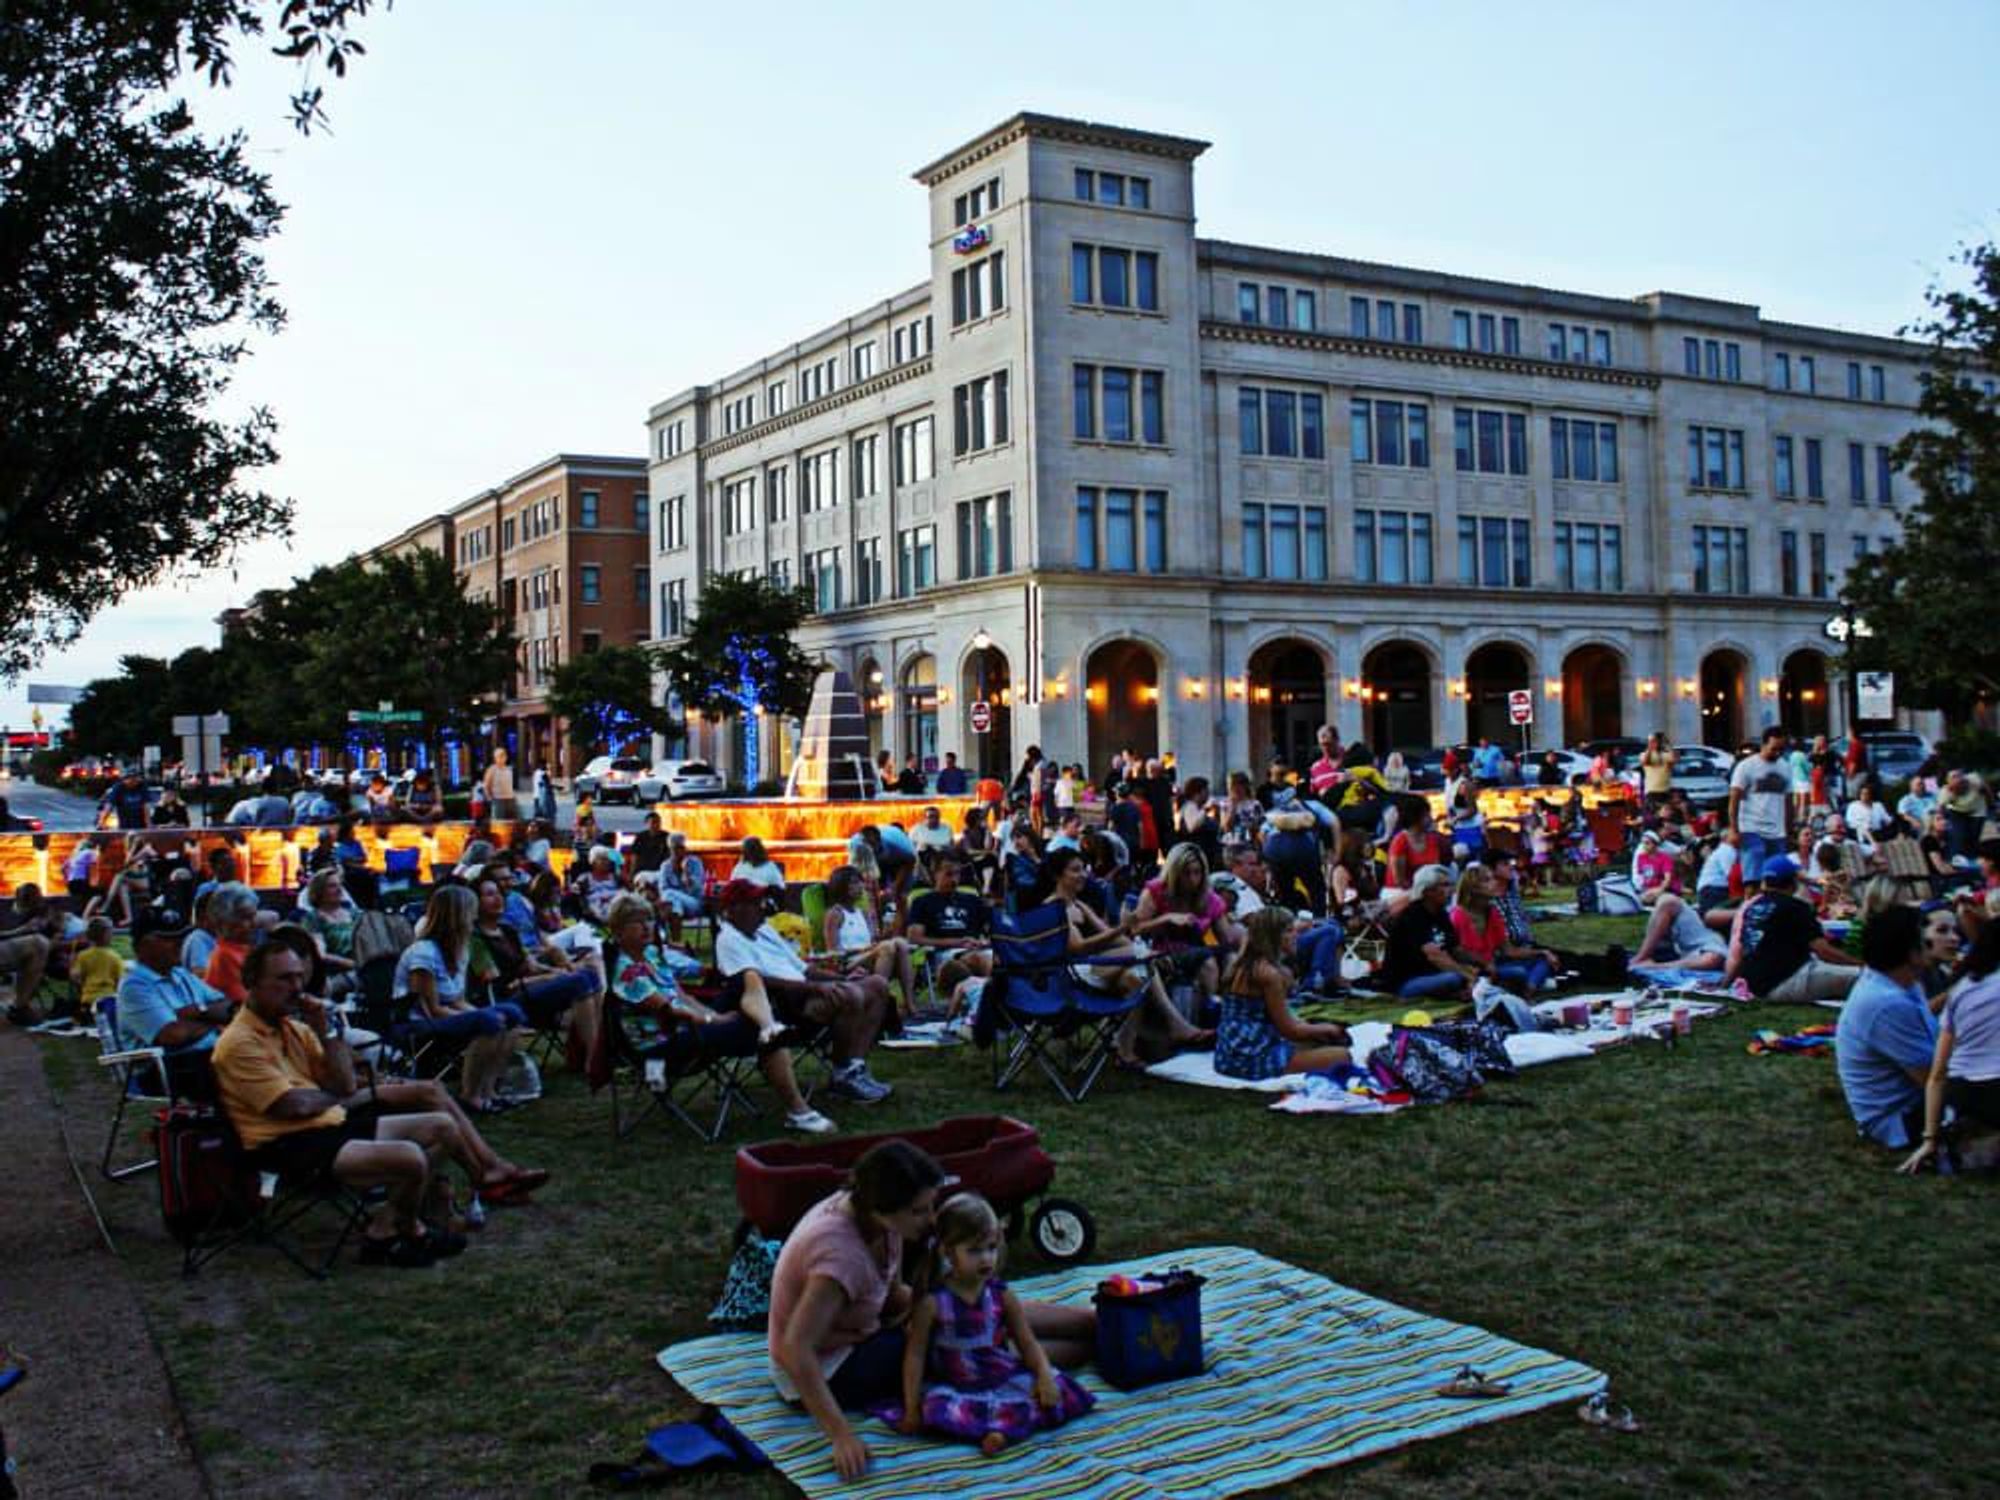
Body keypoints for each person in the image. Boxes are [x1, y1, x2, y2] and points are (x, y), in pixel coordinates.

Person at [768, 1139, 1094, 1481]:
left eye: (931, 1205)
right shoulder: (840, 1255)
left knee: (972, 1306)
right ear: (884, 1208)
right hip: (827, 1369)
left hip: (860, 1335)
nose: (931, 1219)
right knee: (952, 1346)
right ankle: (1085, 1346)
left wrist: (968, 1306)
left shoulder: (876, 1220)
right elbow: (796, 1348)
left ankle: (1092, 1323)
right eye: (919, 1211)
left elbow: (893, 1295)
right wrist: (840, 1435)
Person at [879, 1192, 1095, 1455]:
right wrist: (911, 1408)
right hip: (958, 1386)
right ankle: (1000, 1429)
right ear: (948, 1251)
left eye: (991, 1248)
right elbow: (915, 1355)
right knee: (936, 1407)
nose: (986, 1258)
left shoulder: (1001, 1295)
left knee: (1048, 1394)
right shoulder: (934, 1303)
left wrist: (1044, 1376)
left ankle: (999, 1431)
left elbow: (1026, 1343)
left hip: (1003, 1376)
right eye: (974, 1250)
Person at [604, 893, 833, 1134]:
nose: (646, 927)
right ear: (618, 931)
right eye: (637, 922)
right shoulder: (625, 971)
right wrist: (716, 1019)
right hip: (662, 1043)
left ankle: (768, 1025)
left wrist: (711, 1015)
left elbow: (683, 997)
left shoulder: (652, 955)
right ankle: (797, 1108)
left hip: (689, 1026)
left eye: (649, 920)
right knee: (757, 1029)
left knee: (745, 978)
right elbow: (672, 1010)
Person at [715, 878, 894, 1103]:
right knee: (852, 995)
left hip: (808, 990)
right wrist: (817, 988)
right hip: (784, 1005)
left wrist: (843, 977)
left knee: (878, 984)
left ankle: (854, 1068)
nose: (763, 906)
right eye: (754, 902)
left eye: (761, 900)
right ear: (733, 909)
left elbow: (804, 968)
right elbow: (755, 982)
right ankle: (841, 1076)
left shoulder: (765, 931)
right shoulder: (728, 940)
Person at [1039, 848, 1210, 1067]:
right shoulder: (1054, 907)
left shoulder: (1079, 905)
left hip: (1093, 969)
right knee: (1139, 956)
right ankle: (1177, 1026)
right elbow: (1078, 948)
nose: (1083, 875)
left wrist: (1134, 943)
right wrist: (1126, 934)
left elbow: (1113, 938)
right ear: (1057, 875)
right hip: (1068, 976)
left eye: (1084, 869)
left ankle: (1125, 1050)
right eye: (1075, 870)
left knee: (1135, 979)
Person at [395, 884, 524, 1115]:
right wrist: (479, 1017)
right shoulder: (424, 953)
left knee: (511, 1015)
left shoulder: (461, 948)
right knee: (488, 1022)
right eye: (471, 910)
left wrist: (480, 1014)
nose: (475, 916)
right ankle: (471, 1095)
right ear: (458, 915)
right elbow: (431, 1009)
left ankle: (489, 1090)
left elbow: (457, 1000)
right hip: (417, 1021)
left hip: (445, 1015)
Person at [1830, 906, 1938, 1152]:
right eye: (1929, 935)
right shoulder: (1886, 1003)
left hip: (1911, 1102)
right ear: (1910, 952)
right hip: (1898, 1119)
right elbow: (1933, 1079)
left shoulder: (1901, 983)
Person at [1900, 916, 2000, 1172]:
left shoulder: (1962, 990)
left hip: (1960, 1093)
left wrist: (1929, 1139)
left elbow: (1937, 1075)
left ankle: (1963, 1139)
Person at [471, 874, 602, 1063]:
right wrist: (548, 978)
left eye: (499, 893)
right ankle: (594, 1058)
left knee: (588, 974)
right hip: (506, 998)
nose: (498, 898)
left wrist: (557, 972)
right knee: (579, 981)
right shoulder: (476, 939)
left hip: (528, 989)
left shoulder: (507, 930)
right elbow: (498, 987)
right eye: (489, 895)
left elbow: (530, 966)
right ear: (475, 902)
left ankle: (582, 1050)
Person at [1213, 908, 1351, 1080]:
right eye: (1289, 931)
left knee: (1317, 1041)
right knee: (1342, 1056)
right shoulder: (1268, 974)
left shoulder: (1244, 965)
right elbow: (1290, 1030)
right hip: (1251, 1058)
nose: (1296, 935)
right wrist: (1329, 1028)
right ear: (1272, 936)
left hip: (1229, 1054)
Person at [113, 908, 230, 1099]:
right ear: (143, 945)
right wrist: (214, 1023)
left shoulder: (180, 974)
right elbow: (173, 1035)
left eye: (182, 937)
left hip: (200, 1060)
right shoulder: (134, 986)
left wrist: (196, 1012)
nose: (179, 943)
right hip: (162, 1070)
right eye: (169, 938)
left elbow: (228, 1006)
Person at [1725, 855, 1862, 1002]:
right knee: (1866, 977)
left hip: (1754, 985)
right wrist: (1861, 964)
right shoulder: (1796, 907)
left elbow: (1742, 952)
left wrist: (1726, 983)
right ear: (1792, 881)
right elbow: (1823, 952)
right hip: (1786, 982)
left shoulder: (1752, 907)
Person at [1450, 863, 1556, 994]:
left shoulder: (1492, 912)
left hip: (1494, 966)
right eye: (1488, 880)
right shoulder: (1458, 915)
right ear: (1474, 888)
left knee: (1543, 961)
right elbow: (1457, 952)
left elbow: (1509, 950)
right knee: (1518, 972)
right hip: (1472, 970)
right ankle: (1527, 985)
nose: (1494, 883)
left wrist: (1542, 952)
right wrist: (1484, 964)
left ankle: (1528, 989)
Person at [823, 865, 916, 1010]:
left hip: (870, 956)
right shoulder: (835, 914)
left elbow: (874, 942)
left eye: (860, 882)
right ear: (841, 887)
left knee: (900, 943)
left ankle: (910, 1004)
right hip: (848, 962)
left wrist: (891, 927)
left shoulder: (863, 913)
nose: (860, 886)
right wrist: (865, 950)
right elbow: (833, 951)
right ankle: (879, 1004)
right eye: (854, 883)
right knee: (887, 947)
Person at [1378, 865, 1475, 1002]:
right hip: (1406, 983)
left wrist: (1480, 966)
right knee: (1454, 978)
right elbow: (1434, 956)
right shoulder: (1412, 917)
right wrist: (1467, 976)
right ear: (1428, 891)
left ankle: (1457, 993)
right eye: (1445, 885)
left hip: (1434, 974)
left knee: (1472, 973)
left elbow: (1455, 949)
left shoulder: (1441, 914)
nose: (1452, 891)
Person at [906, 854, 993, 991]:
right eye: (949, 874)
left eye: (957, 874)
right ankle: (996, 1002)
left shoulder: (972, 900)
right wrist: (957, 942)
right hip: (945, 956)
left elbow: (993, 927)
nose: (954, 879)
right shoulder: (922, 902)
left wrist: (986, 941)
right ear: (935, 874)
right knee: (978, 958)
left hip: (976, 949)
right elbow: (914, 937)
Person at [1728, 726, 1793, 884]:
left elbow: (1788, 800)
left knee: (1776, 879)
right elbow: (1734, 799)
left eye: (1781, 750)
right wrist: (1734, 830)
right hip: (1751, 828)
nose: (1777, 753)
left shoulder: (1785, 767)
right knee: (1753, 879)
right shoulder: (1746, 766)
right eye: (1773, 749)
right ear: (1763, 745)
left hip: (1777, 832)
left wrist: (1789, 829)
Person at [1629, 891, 1730, 974]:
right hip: (1705, 933)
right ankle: (1640, 958)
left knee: (1713, 959)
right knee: (1668, 901)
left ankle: (1654, 967)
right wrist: (1741, 913)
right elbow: (1710, 917)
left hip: (1720, 947)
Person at [201, 882, 262, 1004]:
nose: (254, 923)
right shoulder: (224, 956)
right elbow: (248, 1002)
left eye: (254, 915)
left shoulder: (245, 948)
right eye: (246, 918)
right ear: (225, 921)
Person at [1385, 802, 1447, 892]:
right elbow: (1399, 881)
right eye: (1427, 815)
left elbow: (1435, 869)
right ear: (1415, 819)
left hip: (1426, 891)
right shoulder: (1399, 842)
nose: (1431, 818)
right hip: (1399, 892)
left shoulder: (1432, 839)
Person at [71, 916, 124, 1022]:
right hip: (107, 1000)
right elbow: (120, 982)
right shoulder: (115, 957)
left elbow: (75, 977)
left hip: (87, 999)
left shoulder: (83, 955)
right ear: (106, 935)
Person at [627, 812, 670, 878]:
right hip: (643, 871)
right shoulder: (640, 837)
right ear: (647, 823)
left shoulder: (666, 836)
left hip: (659, 872)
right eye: (653, 822)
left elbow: (669, 856)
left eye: (658, 822)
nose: (656, 825)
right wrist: (632, 872)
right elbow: (635, 856)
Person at [480, 748, 518, 822]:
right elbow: (486, 785)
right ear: (495, 758)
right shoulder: (492, 769)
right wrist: (489, 798)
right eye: (499, 756)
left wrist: (514, 797)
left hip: (510, 798)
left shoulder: (509, 769)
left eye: (503, 755)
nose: (501, 758)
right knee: (499, 822)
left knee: (511, 822)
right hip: (498, 799)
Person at [1639, 733, 1676, 808]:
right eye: (1653, 741)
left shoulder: (1665, 754)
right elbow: (1645, 762)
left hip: (1665, 790)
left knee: (1666, 815)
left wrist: (1668, 744)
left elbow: (1674, 758)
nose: (1655, 743)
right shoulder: (1644, 754)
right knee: (1654, 816)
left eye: (1656, 741)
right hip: (1652, 791)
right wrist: (1649, 748)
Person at [532, 760, 558, 825]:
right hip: (543, 797)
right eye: (547, 765)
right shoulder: (543, 773)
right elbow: (547, 784)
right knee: (546, 815)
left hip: (536, 796)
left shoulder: (536, 773)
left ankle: (538, 828)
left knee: (538, 815)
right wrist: (557, 787)